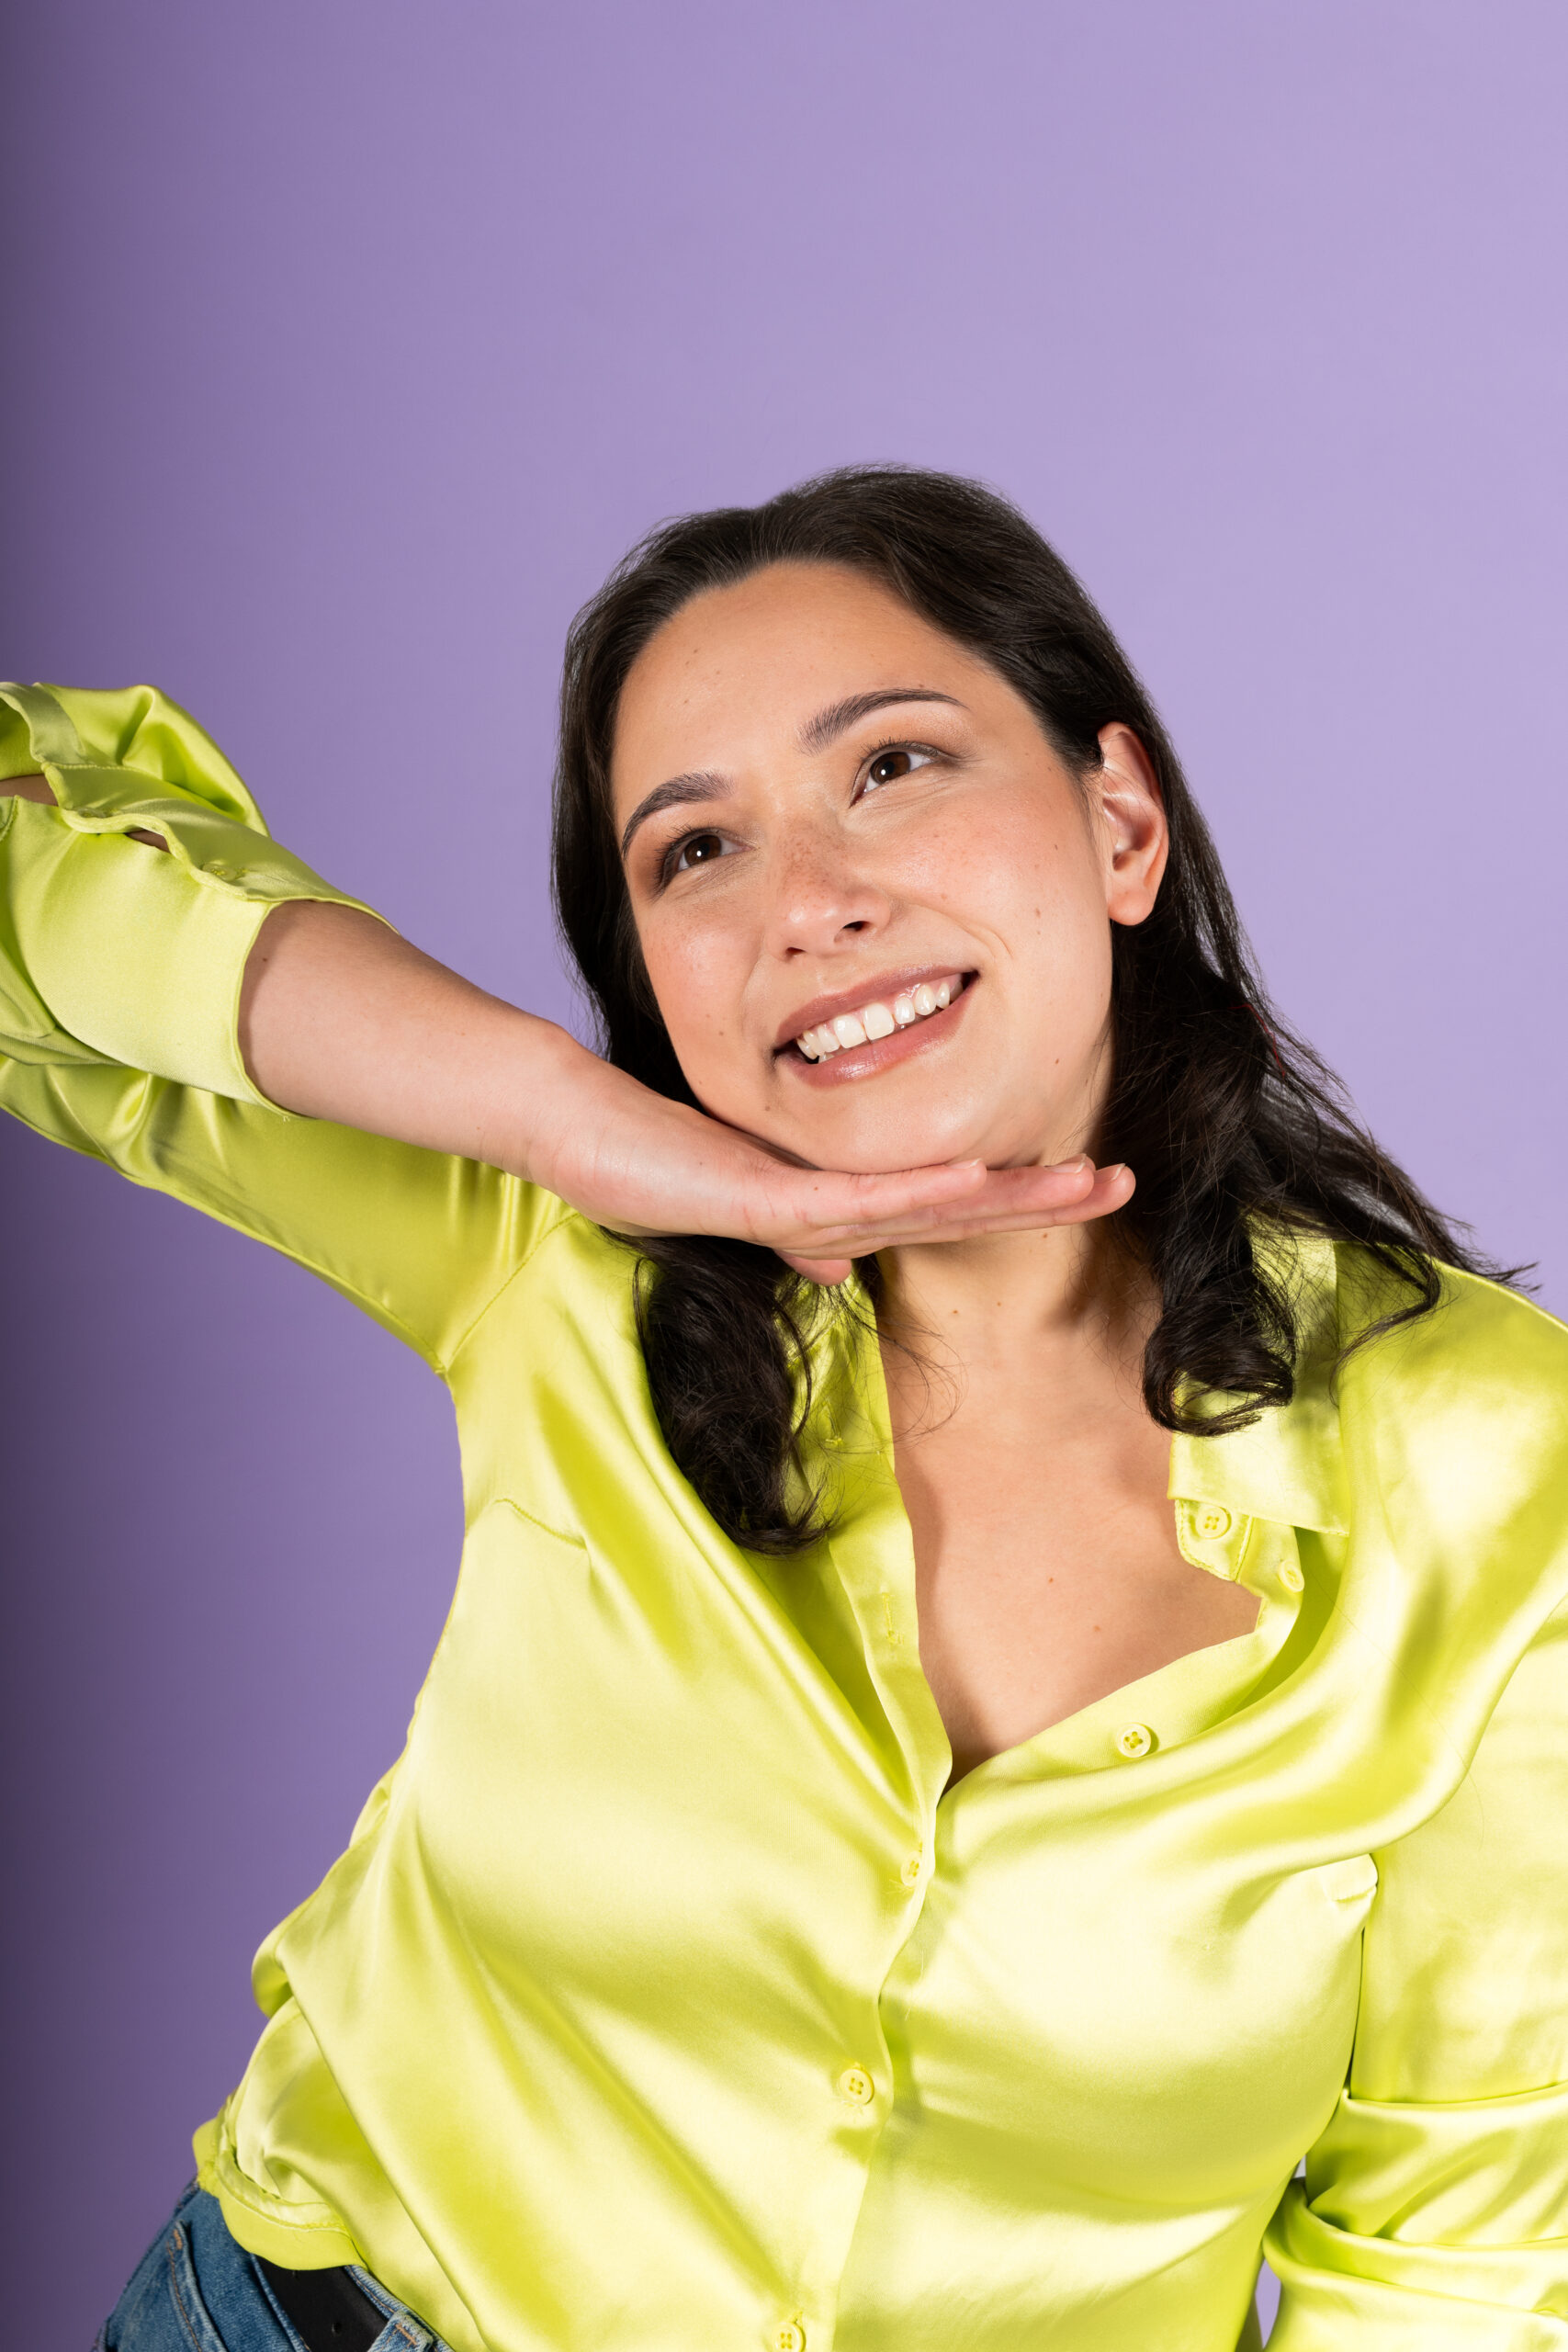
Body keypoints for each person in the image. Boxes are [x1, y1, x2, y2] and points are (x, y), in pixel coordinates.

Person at [4, 467, 1564, 2352]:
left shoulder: (1492, 1456)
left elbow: (1454, 2241)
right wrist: (558, 1115)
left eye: (892, 766)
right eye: (691, 852)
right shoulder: (557, 1250)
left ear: (1119, 820)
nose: (807, 905)